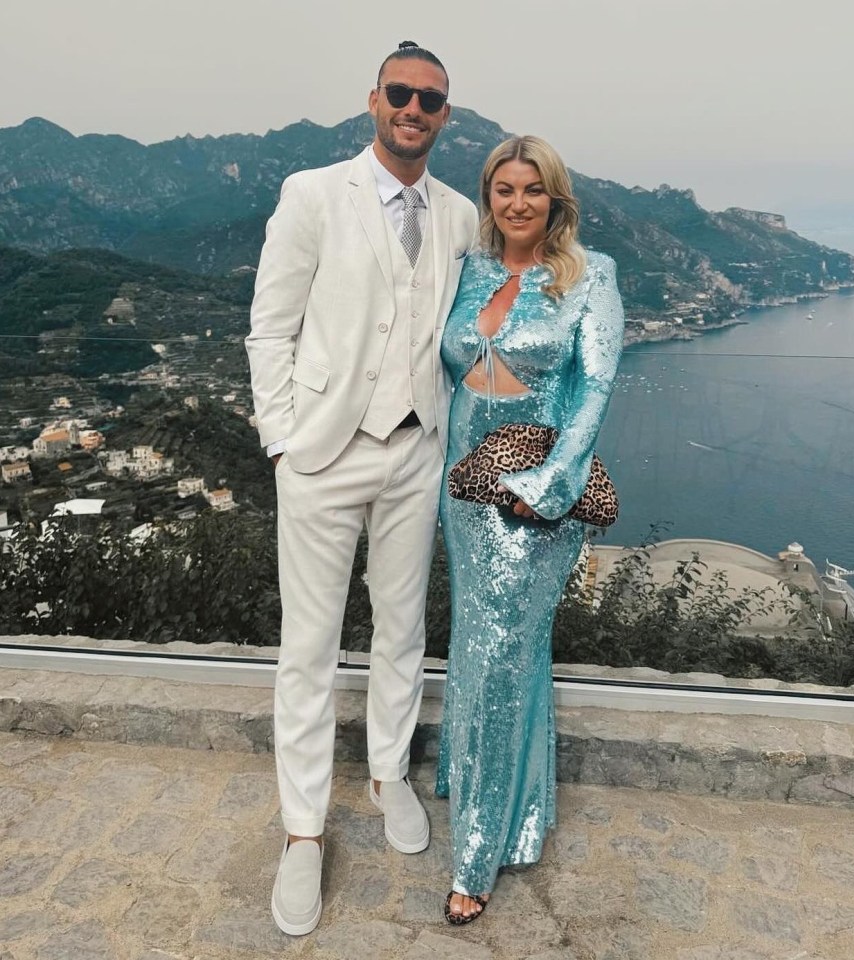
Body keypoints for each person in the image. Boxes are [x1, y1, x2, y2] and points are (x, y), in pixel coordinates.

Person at [245, 41, 478, 936]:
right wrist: (281, 442)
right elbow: (270, 328)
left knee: (403, 627)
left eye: (431, 99)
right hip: (323, 456)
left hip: (416, 449)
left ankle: (388, 774)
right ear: (373, 100)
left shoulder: (457, 214)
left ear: (445, 117)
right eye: (402, 93)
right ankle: (303, 832)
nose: (414, 108)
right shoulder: (312, 194)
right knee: (307, 649)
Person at [435, 136, 625, 923]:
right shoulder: (469, 270)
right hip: (464, 494)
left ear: (556, 200)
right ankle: (517, 802)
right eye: (504, 190)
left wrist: (547, 490)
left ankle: (477, 852)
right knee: (489, 654)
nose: (518, 203)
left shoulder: (591, 277)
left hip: (530, 503)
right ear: (490, 198)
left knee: (498, 659)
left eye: (533, 191)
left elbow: (596, 390)